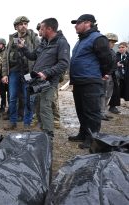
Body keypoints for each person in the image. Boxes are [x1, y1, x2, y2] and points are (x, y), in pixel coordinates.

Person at [19, 18, 70, 137]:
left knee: (45, 106)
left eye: (42, 28)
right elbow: (32, 56)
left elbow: (64, 63)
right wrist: (23, 48)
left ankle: (49, 134)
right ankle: (43, 131)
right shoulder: (44, 42)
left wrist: (47, 73)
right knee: (37, 106)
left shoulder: (62, 43)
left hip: (49, 82)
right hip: (37, 81)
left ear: (49, 29)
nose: (40, 31)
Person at [68, 14, 112, 149]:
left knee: (92, 112)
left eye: (78, 23)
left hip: (91, 81)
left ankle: (92, 138)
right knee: (81, 110)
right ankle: (83, 133)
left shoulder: (98, 38)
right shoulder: (81, 40)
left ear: (87, 23)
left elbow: (107, 59)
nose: (75, 26)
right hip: (79, 81)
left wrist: (104, 73)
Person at [1, 16, 40, 130]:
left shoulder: (33, 37)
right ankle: (12, 122)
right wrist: (4, 74)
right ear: (16, 26)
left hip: (28, 72)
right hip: (14, 72)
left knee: (27, 98)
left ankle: (27, 123)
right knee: (12, 97)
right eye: (21, 24)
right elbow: (5, 58)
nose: (24, 26)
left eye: (25, 24)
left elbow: (39, 53)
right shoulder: (12, 38)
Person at [100, 33, 118, 120]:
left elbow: (114, 65)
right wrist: (104, 74)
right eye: (111, 42)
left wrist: (110, 73)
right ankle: (101, 112)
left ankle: (104, 111)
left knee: (108, 94)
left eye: (113, 42)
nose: (112, 44)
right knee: (102, 94)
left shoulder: (112, 52)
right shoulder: (101, 52)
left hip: (110, 76)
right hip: (103, 76)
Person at [0, 38, 8, 114]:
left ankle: (9, 108)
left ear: (3, 44)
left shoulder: (6, 52)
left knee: (9, 93)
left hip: (6, 75)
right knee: (2, 93)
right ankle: (2, 106)